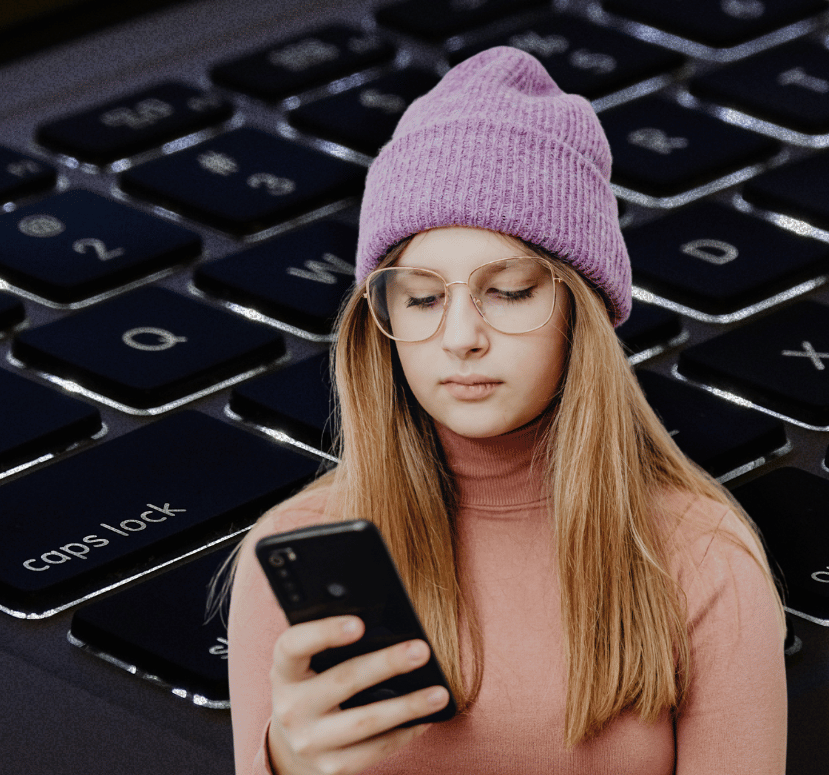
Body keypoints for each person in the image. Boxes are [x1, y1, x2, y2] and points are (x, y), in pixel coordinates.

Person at [226, 46, 788, 775]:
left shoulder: (700, 555)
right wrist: (281, 765)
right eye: (422, 297)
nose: (460, 337)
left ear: (576, 311)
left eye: (510, 290)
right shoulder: (298, 549)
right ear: (380, 320)